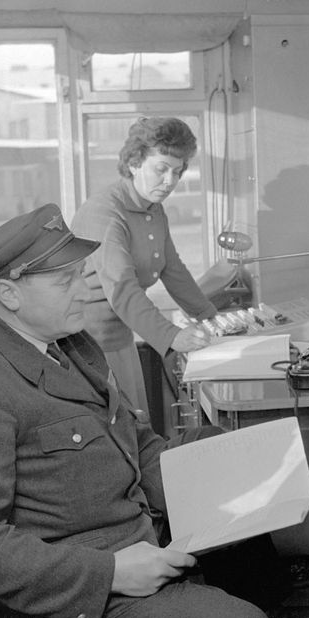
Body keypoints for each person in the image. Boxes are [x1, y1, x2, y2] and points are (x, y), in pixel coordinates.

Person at [0, 204, 270, 618]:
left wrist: (221, 462)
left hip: (136, 539)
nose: (85, 290)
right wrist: (111, 573)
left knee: (242, 477)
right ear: (9, 293)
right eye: (66, 281)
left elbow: (136, 445)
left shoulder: (71, 343)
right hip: (84, 593)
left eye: (82, 272)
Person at [71, 117, 217, 412]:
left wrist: (210, 318)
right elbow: (122, 289)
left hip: (120, 338)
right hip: (89, 346)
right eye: (161, 169)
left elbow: (172, 270)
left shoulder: (153, 208)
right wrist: (172, 335)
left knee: (134, 426)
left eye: (177, 172)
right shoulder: (105, 213)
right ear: (135, 163)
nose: (170, 182)